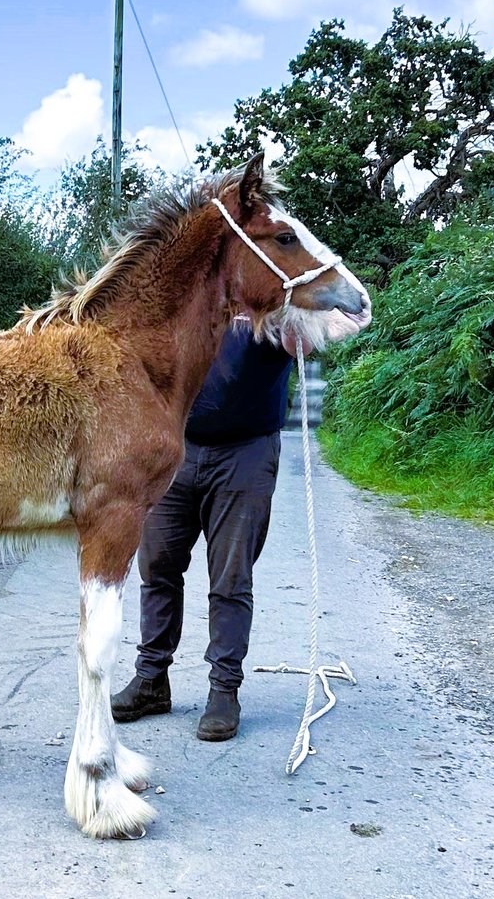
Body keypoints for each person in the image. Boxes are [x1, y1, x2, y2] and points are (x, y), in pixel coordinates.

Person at [110, 310, 368, 741]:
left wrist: (292, 321)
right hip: (176, 447)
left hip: (245, 454)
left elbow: (340, 322)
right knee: (156, 568)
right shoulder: (191, 287)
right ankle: (151, 680)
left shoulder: (276, 282)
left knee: (231, 577)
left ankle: (223, 691)